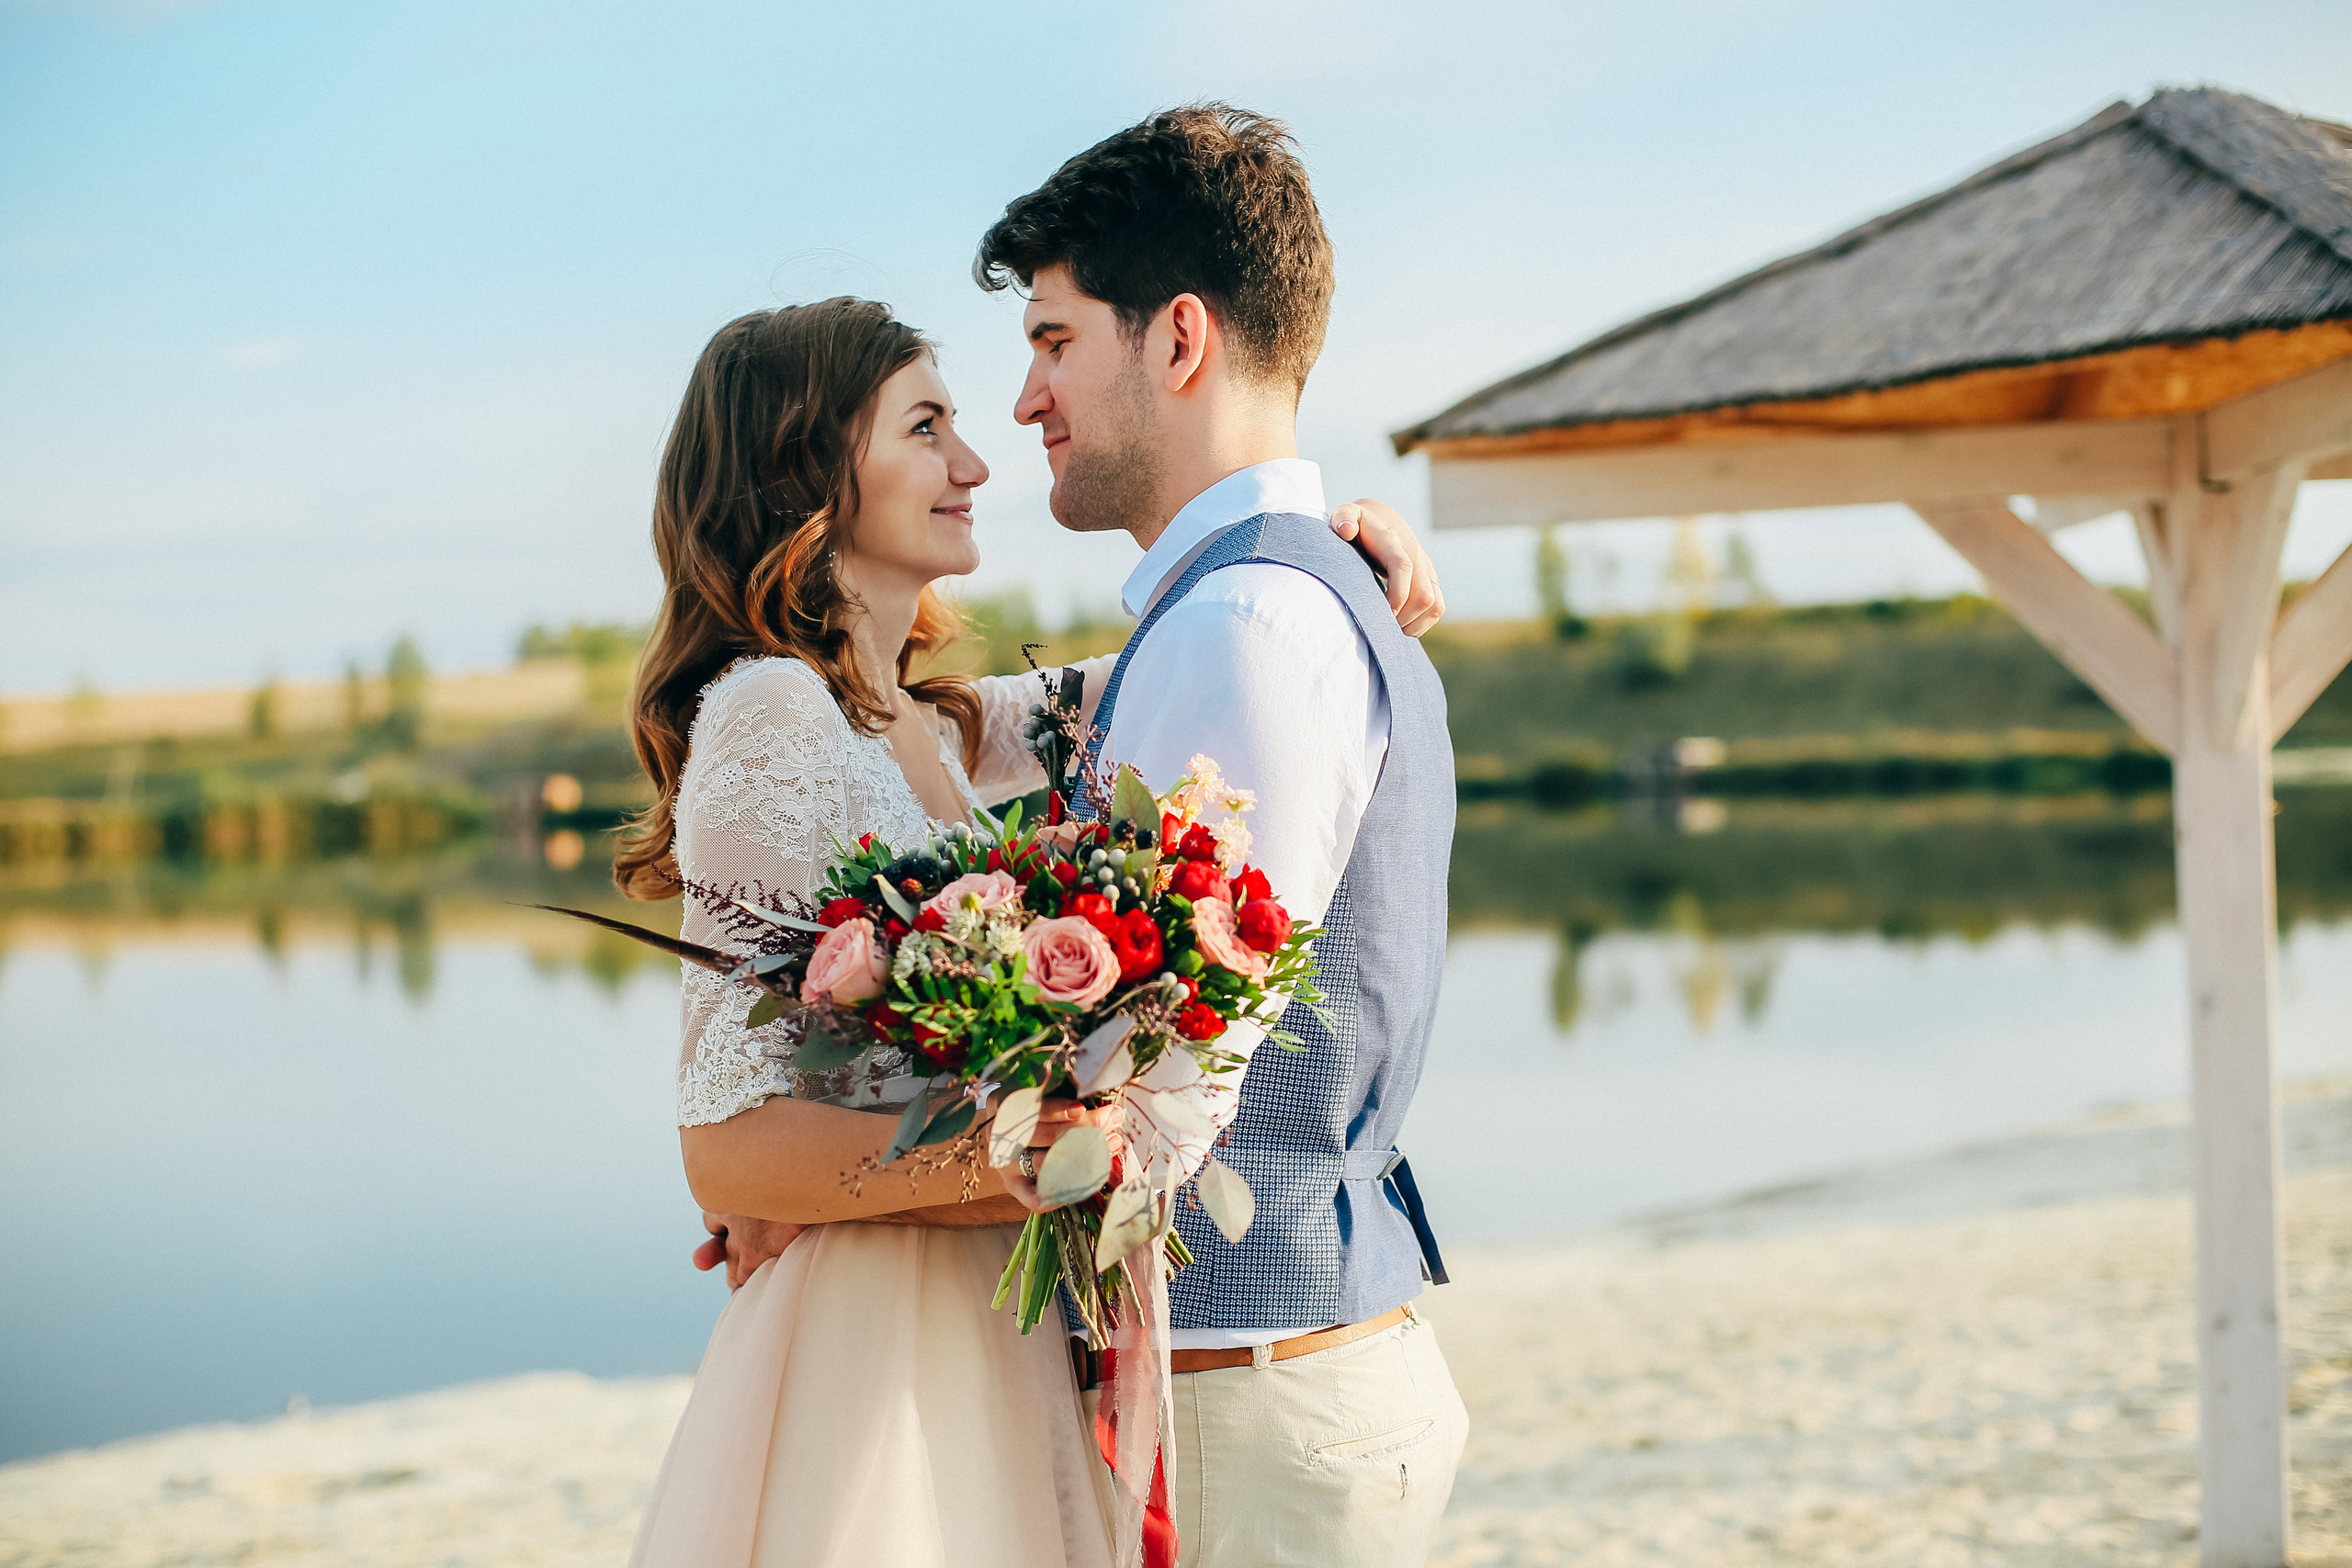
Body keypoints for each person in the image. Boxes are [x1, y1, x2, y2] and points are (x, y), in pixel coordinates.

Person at [624, 295, 1445, 1568]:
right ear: (807, 469)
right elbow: (723, 1152)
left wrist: (1335, 552)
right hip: (876, 1342)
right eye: (926, 428)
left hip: (988, 1326)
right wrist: (1017, 1164)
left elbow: (1210, 650)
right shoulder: (770, 713)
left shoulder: (927, 718)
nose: (975, 462)